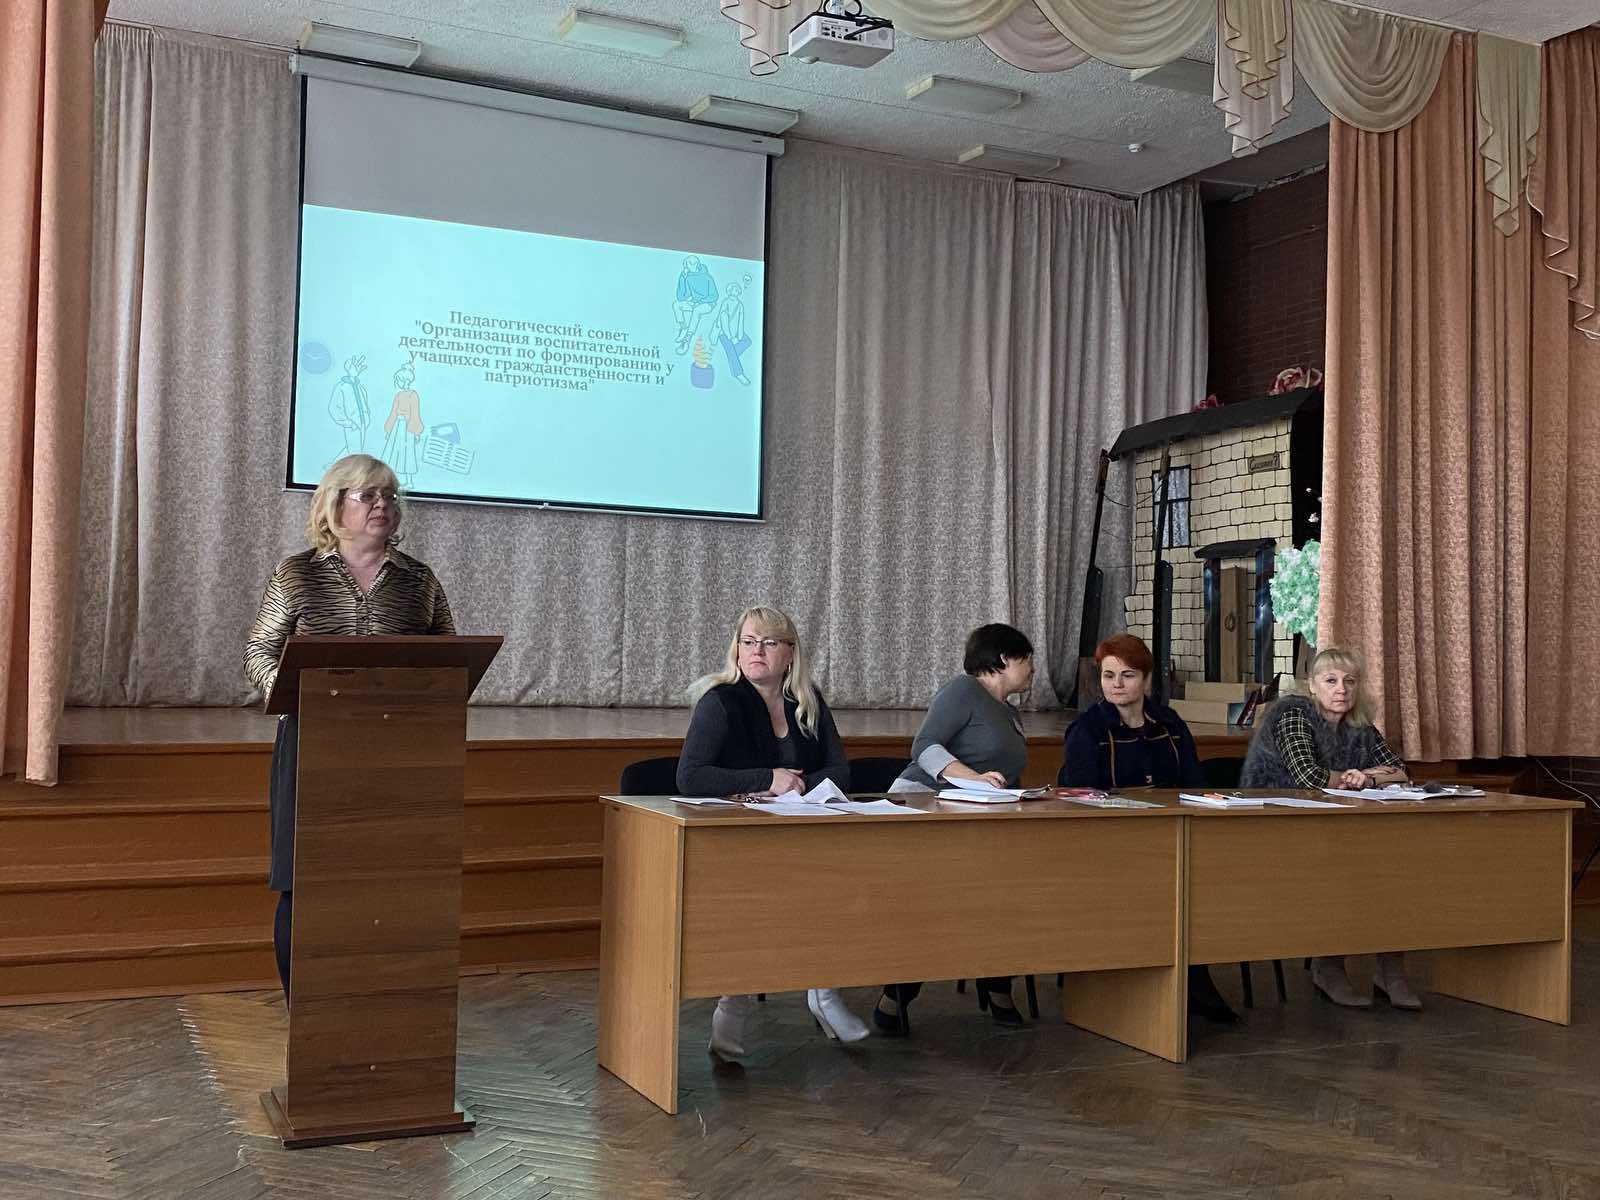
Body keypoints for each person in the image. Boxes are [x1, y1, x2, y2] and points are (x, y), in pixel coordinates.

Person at [243, 454, 456, 1000]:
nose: (382, 504)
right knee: (303, 880)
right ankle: (304, 1006)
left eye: (389, 495)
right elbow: (260, 651)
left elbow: (448, 658)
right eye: (368, 495)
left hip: (396, 750)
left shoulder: (418, 580)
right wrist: (291, 693)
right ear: (334, 505)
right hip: (314, 742)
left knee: (387, 880)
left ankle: (376, 998)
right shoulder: (298, 573)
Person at [677, 605, 867, 1056]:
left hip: (801, 831)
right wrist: (767, 778)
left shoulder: (808, 700)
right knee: (758, 897)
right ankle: (734, 1001)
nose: (755, 651)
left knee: (839, 884)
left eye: (767, 642)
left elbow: (840, 769)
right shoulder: (720, 702)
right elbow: (690, 776)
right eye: (747, 642)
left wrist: (798, 785)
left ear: (790, 653)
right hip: (737, 838)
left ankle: (824, 992)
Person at [1059, 633, 1238, 1023]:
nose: (1117, 685)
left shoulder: (1169, 723)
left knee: (1205, 882)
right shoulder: (1087, 730)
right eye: (1108, 676)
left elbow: (1194, 783)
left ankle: (1190, 978)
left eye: (1127, 675)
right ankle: (1143, 988)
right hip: (1110, 845)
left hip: (1172, 837)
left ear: (1147, 679)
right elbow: (1082, 797)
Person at [875, 622, 1035, 1031]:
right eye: (1026, 659)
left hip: (977, 818)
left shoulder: (1009, 712)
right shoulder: (963, 690)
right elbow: (924, 747)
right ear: (1003, 659)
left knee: (1000, 899)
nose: (1033, 668)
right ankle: (895, 998)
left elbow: (1004, 773)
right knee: (935, 905)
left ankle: (998, 985)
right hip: (926, 809)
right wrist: (972, 777)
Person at [1241, 646, 1419, 1010]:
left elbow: (1402, 772)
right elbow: (1308, 777)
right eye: (1331, 680)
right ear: (1312, 685)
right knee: (1347, 867)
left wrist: (1367, 778)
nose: (1342, 689)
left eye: (1350, 681)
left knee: (1396, 865)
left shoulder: (1359, 725)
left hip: (1335, 828)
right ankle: (1329, 966)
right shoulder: (1293, 713)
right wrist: (1357, 778)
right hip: (1275, 828)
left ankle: (1391, 970)